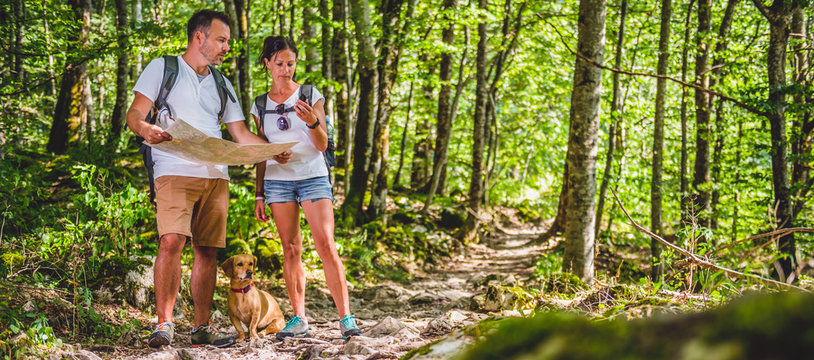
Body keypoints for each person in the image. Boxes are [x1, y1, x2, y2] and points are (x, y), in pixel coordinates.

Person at [126, 9, 267, 348]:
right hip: (173, 166)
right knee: (171, 240)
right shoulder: (163, 68)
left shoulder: (222, 83)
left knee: (207, 250)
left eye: (228, 41)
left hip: (216, 173)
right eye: (221, 40)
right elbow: (134, 113)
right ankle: (164, 324)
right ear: (199, 37)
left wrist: (273, 150)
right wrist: (146, 129)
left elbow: (239, 133)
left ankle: (201, 327)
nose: (226, 47)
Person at [251, 36, 362, 340]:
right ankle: (299, 318)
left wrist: (313, 122)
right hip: (277, 180)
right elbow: (260, 151)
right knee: (290, 248)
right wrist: (259, 193)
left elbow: (323, 144)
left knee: (325, 244)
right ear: (267, 64)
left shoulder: (310, 95)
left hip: (313, 175)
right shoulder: (260, 104)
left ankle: (346, 318)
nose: (285, 70)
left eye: (290, 63)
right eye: (279, 63)